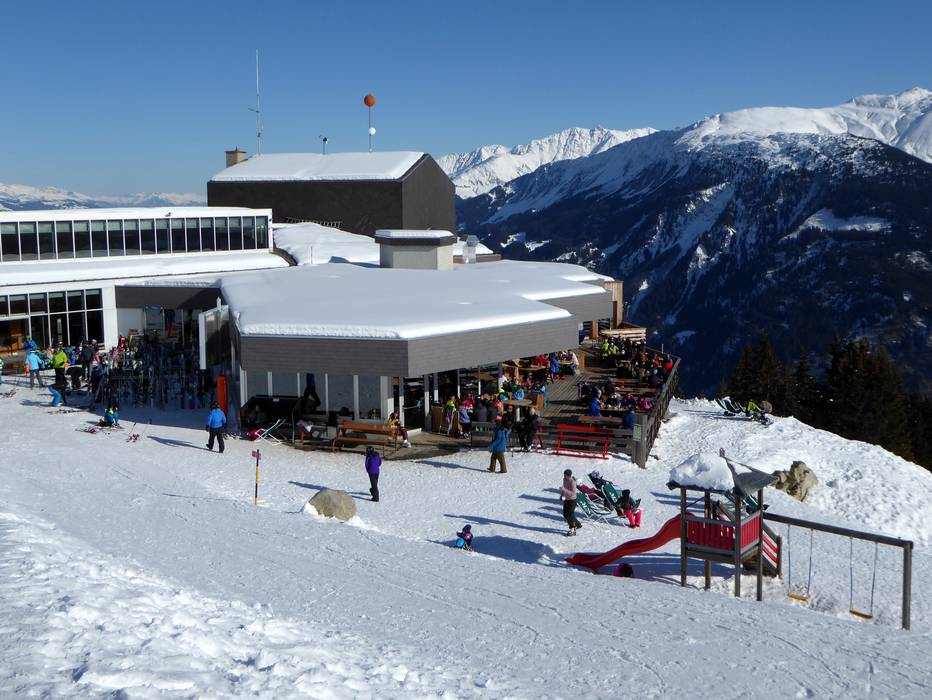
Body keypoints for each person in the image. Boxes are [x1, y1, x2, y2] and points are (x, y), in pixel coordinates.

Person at [559, 469, 583, 536]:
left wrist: (564, 490)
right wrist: (562, 495)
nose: (564, 476)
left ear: (569, 476)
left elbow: (573, 493)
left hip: (572, 500)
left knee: (570, 515)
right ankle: (578, 524)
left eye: (565, 475)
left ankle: (573, 528)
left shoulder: (572, 482)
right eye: (564, 475)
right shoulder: (564, 479)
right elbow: (564, 488)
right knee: (565, 514)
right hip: (566, 499)